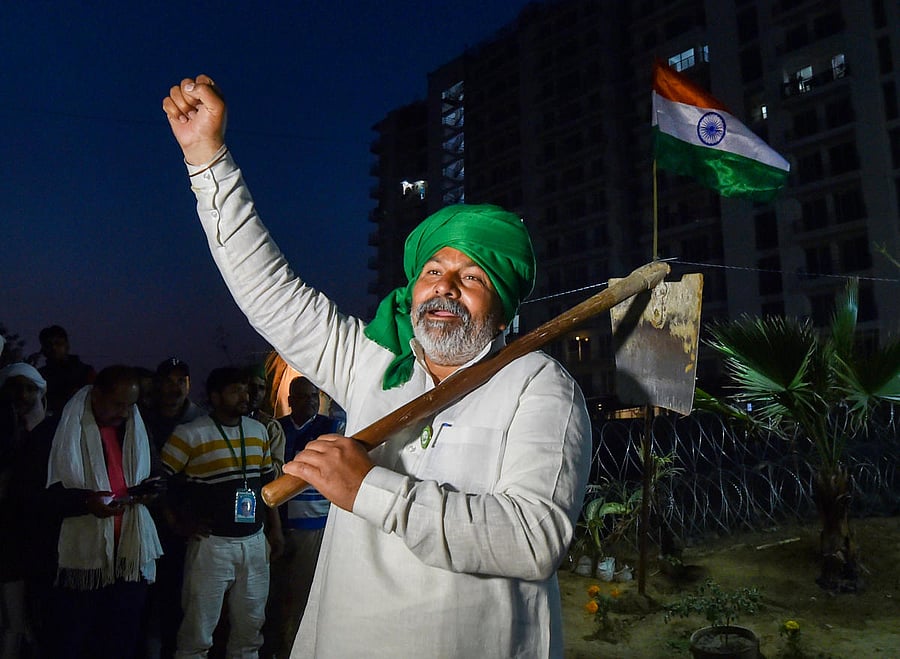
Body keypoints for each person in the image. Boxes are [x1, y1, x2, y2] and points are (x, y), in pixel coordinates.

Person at [163, 75, 590, 658]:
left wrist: (367, 487)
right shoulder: (372, 363)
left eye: (472, 277)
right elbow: (269, 291)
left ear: (502, 308)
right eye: (433, 272)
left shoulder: (538, 384)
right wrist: (207, 160)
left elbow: (532, 539)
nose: (444, 289)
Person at [161, 366, 283, 658]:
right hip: (212, 544)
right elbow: (160, 482)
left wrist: (274, 530)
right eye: (235, 390)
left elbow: (268, 485)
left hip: (254, 542)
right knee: (198, 631)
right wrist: (176, 523)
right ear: (215, 397)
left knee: (250, 630)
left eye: (245, 388)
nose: (244, 395)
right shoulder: (189, 434)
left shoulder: (258, 431)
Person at [45, 365, 165, 659]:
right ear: (96, 395)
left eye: (130, 405)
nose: (124, 412)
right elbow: (41, 498)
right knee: (73, 641)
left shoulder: (136, 427)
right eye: (117, 404)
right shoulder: (60, 428)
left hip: (129, 557)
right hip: (82, 565)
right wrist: (86, 503)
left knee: (120, 641)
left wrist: (151, 490)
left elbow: (156, 472)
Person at [261, 376, 342, 659]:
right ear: (290, 400)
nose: (309, 401)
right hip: (278, 525)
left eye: (314, 396)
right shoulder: (276, 429)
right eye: (303, 396)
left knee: (301, 596)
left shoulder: (330, 429)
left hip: (313, 527)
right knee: (272, 594)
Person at [0, 363, 48, 658]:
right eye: (16, 387)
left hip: (34, 533)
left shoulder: (48, 431)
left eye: (30, 388)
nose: (23, 395)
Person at [37, 324, 95, 417]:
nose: (54, 348)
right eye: (48, 345)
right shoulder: (39, 376)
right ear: (43, 349)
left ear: (67, 345)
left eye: (58, 343)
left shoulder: (85, 371)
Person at [245, 363, 286, 475]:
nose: (256, 393)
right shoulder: (226, 422)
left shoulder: (270, 427)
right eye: (252, 387)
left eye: (261, 388)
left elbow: (277, 470)